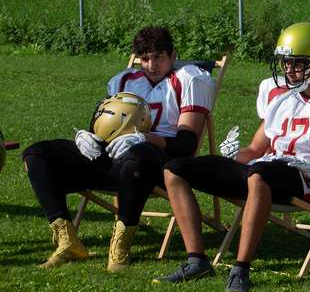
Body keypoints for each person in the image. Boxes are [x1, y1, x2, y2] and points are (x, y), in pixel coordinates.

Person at [154, 22, 310, 292]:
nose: (289, 70)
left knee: (259, 174)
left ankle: (241, 268)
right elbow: (256, 149)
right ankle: (197, 261)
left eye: (298, 63)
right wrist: (233, 155)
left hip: (307, 177)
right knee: (175, 169)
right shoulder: (279, 96)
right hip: (264, 168)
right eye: (286, 63)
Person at [23, 26, 213, 272]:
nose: (151, 65)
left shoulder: (190, 79)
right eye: (145, 58)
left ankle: (121, 244)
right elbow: (103, 126)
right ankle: (67, 240)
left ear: (173, 55)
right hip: (113, 157)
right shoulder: (124, 80)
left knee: (140, 154)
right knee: (37, 154)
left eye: (158, 57)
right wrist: (87, 136)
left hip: (154, 164)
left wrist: (145, 138)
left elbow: (186, 145)